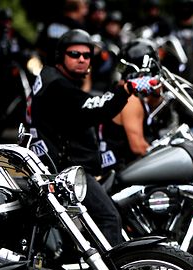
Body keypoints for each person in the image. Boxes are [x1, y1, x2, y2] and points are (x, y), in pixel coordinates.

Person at [26, 29, 157, 246]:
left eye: (86, 56)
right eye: (74, 54)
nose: (81, 59)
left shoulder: (50, 77)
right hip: (63, 169)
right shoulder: (58, 85)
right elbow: (96, 108)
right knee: (109, 217)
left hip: (49, 165)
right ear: (61, 56)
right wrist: (128, 88)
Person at [98, 38, 161, 173]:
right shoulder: (131, 100)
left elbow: (152, 105)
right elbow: (138, 147)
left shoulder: (119, 90)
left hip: (113, 166)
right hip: (119, 171)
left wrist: (156, 94)